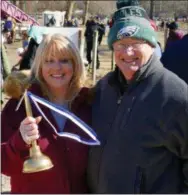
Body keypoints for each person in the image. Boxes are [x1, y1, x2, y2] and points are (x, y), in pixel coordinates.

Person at [87, 0, 188, 193]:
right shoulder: (103, 89)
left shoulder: (175, 95)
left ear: (151, 45)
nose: (127, 52)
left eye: (136, 43)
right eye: (120, 45)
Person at [1, 33, 92, 194]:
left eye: (64, 60)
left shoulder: (88, 104)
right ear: (39, 66)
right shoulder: (19, 106)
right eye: (49, 61)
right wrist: (19, 140)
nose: (57, 67)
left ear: (75, 64)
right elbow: (4, 164)